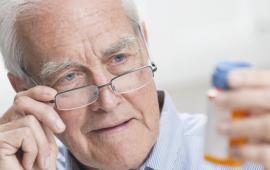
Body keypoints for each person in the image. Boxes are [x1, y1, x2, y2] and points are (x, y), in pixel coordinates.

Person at [0, 0, 269, 169]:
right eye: (69, 77)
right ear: (24, 90)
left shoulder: (253, 159)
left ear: (145, 46)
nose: (107, 101)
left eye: (118, 58)